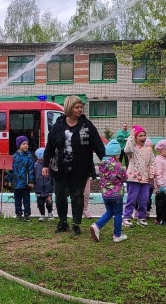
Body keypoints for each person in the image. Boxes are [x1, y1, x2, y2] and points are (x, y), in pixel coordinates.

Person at [42, 96, 105, 235]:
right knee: (60, 196)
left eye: (81, 107)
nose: (80, 109)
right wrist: (45, 165)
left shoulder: (86, 125)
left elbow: (97, 144)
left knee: (77, 196)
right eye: (77, 107)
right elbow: (50, 146)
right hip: (59, 168)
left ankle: (76, 224)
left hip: (80, 169)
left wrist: (106, 160)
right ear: (69, 108)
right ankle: (62, 222)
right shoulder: (58, 125)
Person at [90, 139, 128, 243]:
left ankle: (97, 226)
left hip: (105, 194)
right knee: (118, 213)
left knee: (110, 211)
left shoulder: (102, 164)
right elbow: (124, 178)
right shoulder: (118, 166)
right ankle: (117, 235)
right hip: (116, 194)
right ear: (116, 154)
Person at [122, 126, 155, 227]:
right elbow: (127, 149)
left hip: (145, 179)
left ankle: (141, 217)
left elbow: (152, 162)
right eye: (140, 135)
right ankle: (126, 217)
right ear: (135, 138)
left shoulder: (149, 149)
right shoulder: (132, 150)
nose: (143, 137)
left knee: (144, 199)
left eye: (144, 135)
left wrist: (152, 173)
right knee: (131, 199)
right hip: (133, 178)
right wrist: (131, 136)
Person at [8, 135, 35, 220]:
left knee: (26, 200)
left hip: (25, 183)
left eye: (27, 144)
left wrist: (31, 181)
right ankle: (18, 213)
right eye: (23, 144)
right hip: (16, 183)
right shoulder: (14, 156)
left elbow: (31, 169)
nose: (26, 145)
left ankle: (27, 213)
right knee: (17, 200)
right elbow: (10, 169)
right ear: (19, 145)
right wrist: (9, 180)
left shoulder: (29, 156)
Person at [33, 147, 53, 221]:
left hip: (48, 186)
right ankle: (42, 214)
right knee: (40, 203)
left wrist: (52, 184)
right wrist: (33, 183)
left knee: (49, 202)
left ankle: (50, 213)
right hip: (39, 187)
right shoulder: (35, 165)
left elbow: (52, 176)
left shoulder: (50, 165)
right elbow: (34, 175)